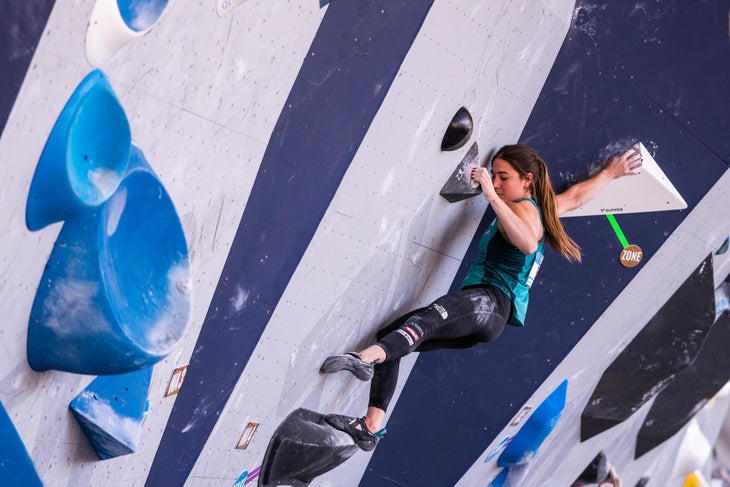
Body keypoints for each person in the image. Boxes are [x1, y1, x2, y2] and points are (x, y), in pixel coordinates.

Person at [320, 144, 642, 451]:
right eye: (495, 175)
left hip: (490, 302)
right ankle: (371, 426)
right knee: (396, 336)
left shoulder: (523, 211)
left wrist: (490, 194)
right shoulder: (544, 209)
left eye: (504, 177)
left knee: (427, 319)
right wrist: (610, 173)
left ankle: (363, 360)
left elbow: (529, 243)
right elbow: (574, 198)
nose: (498, 182)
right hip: (484, 315)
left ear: (526, 180)